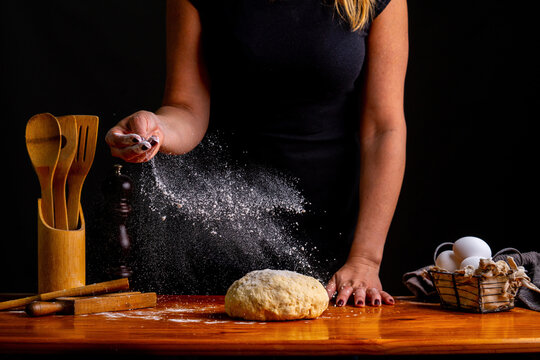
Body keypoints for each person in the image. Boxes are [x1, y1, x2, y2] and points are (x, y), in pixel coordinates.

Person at [106, 0, 408, 307]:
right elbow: (185, 108)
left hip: (335, 258)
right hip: (219, 234)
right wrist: (156, 130)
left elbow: (384, 129)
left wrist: (366, 259)